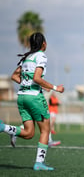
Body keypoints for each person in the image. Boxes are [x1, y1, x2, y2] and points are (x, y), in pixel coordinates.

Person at [0, 32, 64, 170]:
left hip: (22, 96)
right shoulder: (41, 56)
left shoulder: (26, 57)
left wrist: (30, 84)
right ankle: (39, 163)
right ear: (44, 44)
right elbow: (37, 77)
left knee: (29, 133)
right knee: (45, 130)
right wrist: (55, 88)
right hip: (34, 97)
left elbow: (14, 76)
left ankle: (3, 127)